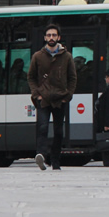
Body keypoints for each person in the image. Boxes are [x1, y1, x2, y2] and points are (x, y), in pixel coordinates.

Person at [27, 23, 76, 171]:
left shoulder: (67, 57)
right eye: (49, 35)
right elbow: (31, 77)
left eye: (54, 35)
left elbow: (73, 78)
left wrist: (67, 96)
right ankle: (41, 155)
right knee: (42, 127)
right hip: (44, 98)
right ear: (44, 38)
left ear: (59, 38)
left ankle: (55, 160)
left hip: (60, 99)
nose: (51, 38)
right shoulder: (38, 56)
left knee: (59, 131)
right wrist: (37, 94)